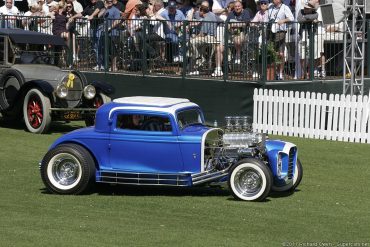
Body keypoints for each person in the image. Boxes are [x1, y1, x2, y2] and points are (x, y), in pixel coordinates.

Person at [267, 0, 294, 80]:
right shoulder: (270, 7)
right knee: (271, 52)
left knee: (280, 53)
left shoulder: (285, 7)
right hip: (270, 32)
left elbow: (291, 18)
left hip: (280, 32)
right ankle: (273, 72)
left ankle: (280, 73)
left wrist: (283, 20)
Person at [188, 4, 218, 75]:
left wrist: (195, 37)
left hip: (209, 37)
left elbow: (203, 34)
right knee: (192, 44)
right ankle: (193, 66)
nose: (198, 13)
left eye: (199, 11)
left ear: (202, 11)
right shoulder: (211, 15)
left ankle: (199, 58)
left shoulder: (207, 18)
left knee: (191, 42)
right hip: (208, 38)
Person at [226, 0, 252, 65]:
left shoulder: (245, 12)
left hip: (244, 32)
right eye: (235, 6)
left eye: (238, 6)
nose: (237, 8)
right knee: (237, 40)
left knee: (238, 40)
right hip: (233, 33)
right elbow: (227, 24)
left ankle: (238, 55)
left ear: (242, 6)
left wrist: (234, 25)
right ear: (234, 7)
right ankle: (238, 54)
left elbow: (245, 24)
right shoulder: (231, 13)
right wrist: (235, 25)